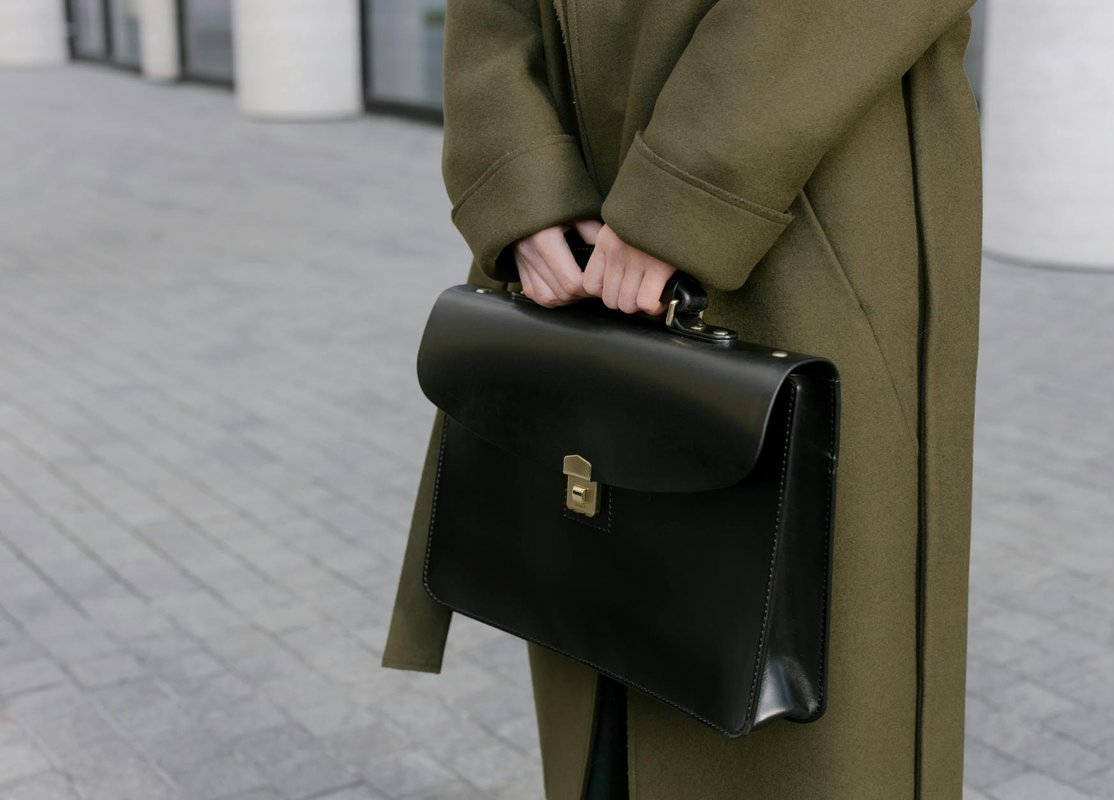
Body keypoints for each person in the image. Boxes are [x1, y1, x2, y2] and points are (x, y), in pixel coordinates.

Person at [382, 1, 983, 798]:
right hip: (579, 211)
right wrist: (519, 175)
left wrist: (690, 186)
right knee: (598, 651)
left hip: (806, 190)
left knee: (800, 692)